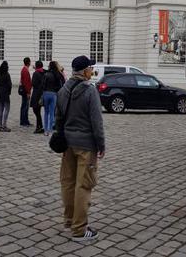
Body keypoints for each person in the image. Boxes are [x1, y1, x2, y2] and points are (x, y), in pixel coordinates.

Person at [54, 55, 104, 242]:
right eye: (91, 68)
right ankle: (80, 229)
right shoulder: (90, 91)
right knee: (84, 185)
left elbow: (58, 117)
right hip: (86, 146)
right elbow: (96, 121)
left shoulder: (63, 89)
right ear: (84, 72)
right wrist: (101, 144)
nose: (92, 71)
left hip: (68, 143)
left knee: (67, 182)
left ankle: (69, 220)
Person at [42, 61, 66, 137]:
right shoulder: (57, 75)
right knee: (52, 113)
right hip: (53, 94)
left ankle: (45, 130)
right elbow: (61, 84)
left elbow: (43, 85)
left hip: (46, 94)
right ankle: (51, 131)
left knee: (46, 113)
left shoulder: (46, 74)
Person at [0, 61, 13, 132]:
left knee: (0, 109)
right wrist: (9, 92)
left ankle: (0, 125)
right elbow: (9, 85)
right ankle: (4, 125)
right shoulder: (7, 74)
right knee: (7, 109)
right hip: (5, 93)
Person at [30, 60, 48, 134]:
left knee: (36, 111)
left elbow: (33, 83)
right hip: (42, 93)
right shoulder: (44, 72)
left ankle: (39, 127)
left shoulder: (36, 73)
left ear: (36, 66)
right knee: (38, 110)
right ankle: (40, 126)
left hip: (36, 94)